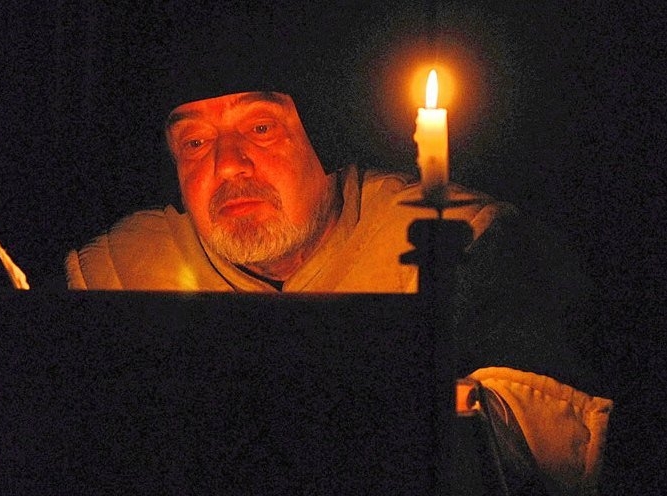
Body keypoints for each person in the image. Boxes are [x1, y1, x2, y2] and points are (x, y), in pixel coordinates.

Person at [65, 89, 612, 494]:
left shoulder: (469, 240)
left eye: (261, 128)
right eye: (195, 141)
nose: (227, 164)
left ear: (322, 139)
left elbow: (545, 445)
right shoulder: (115, 270)